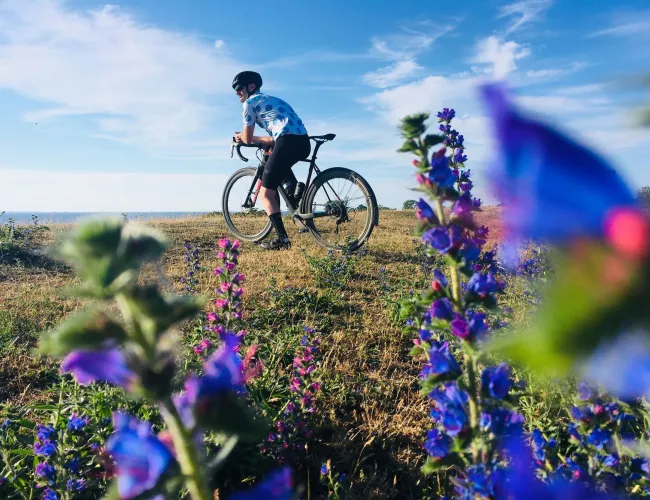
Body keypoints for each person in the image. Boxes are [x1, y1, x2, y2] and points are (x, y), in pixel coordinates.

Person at [232, 70, 311, 250]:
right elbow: (273, 138)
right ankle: (293, 188)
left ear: (251, 86)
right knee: (278, 157)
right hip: (303, 142)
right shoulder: (274, 100)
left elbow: (247, 138)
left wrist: (240, 138)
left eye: (238, 88)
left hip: (286, 142)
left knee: (265, 194)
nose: (236, 92)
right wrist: (262, 140)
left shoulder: (250, 104)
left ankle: (283, 241)